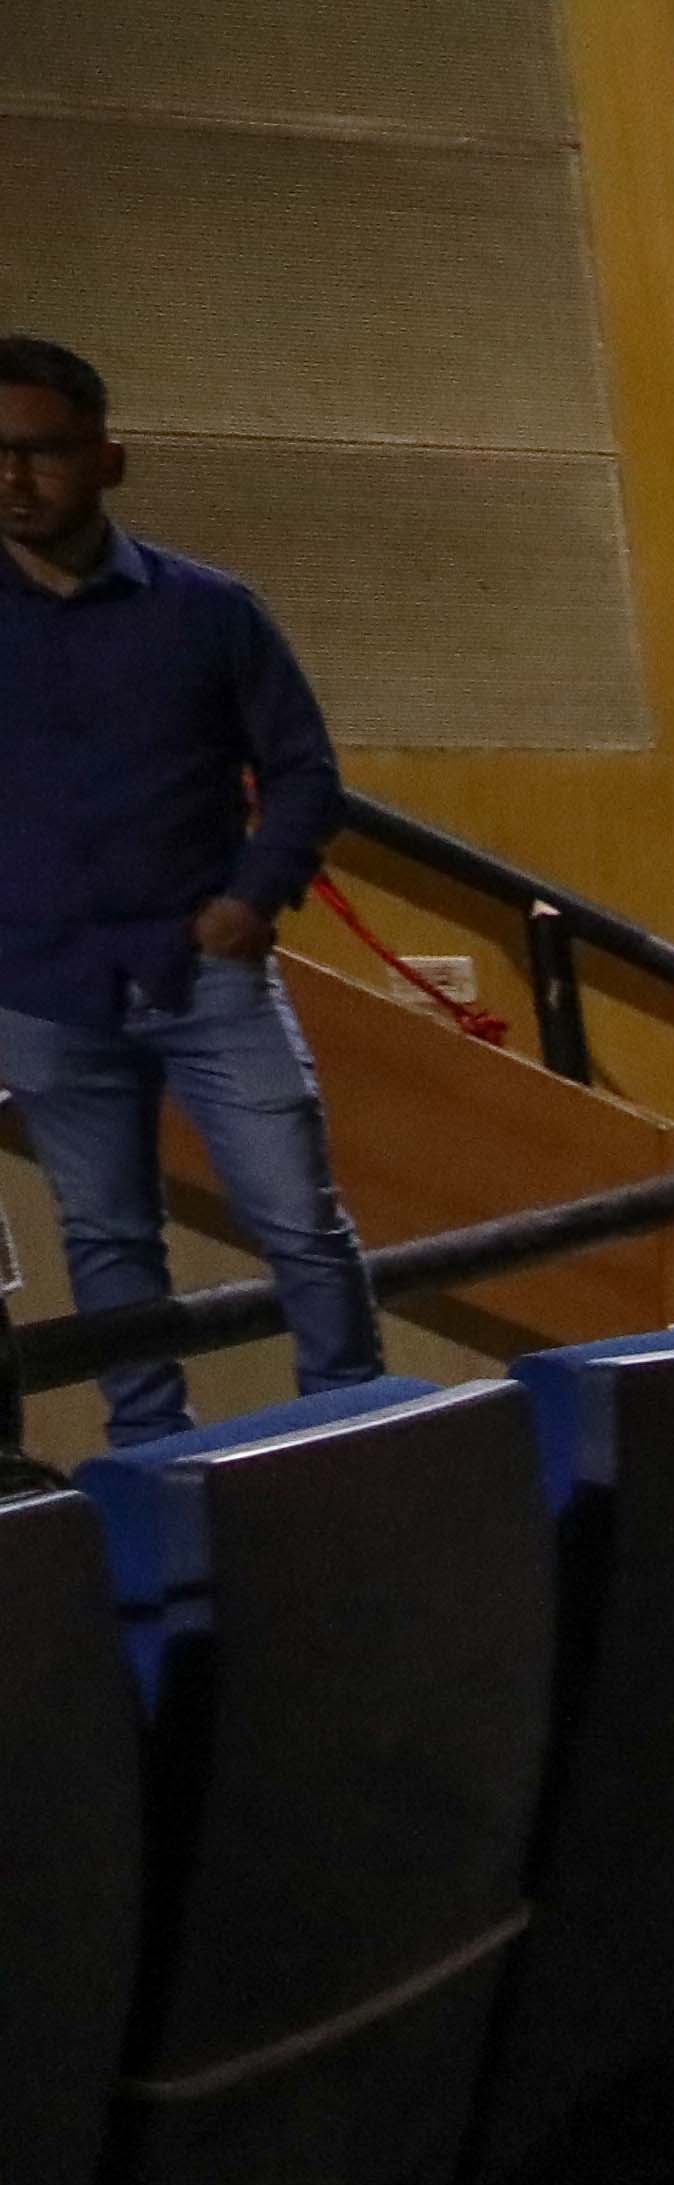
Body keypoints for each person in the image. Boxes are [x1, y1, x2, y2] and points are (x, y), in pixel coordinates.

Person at [0, 332, 383, 1455]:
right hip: (41, 983)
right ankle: (152, 1459)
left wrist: (254, 899)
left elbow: (308, 772)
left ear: (107, 460)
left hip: (204, 967)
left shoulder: (208, 611)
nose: (15, 479)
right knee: (107, 1237)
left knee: (301, 1224)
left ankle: (355, 1430)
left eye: (41, 451)